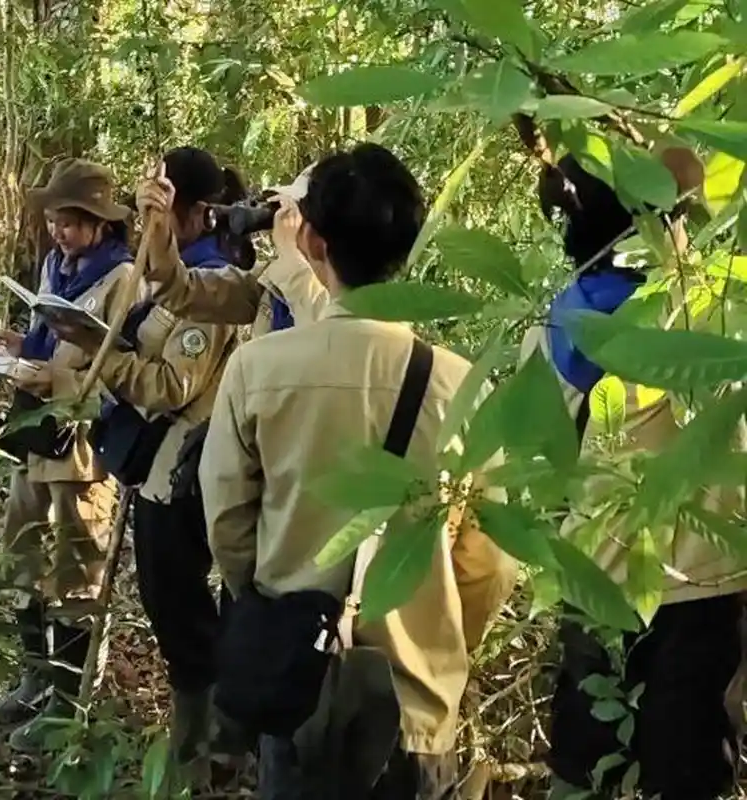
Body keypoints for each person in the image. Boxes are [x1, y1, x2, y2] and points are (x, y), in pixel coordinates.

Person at [198, 143, 517, 799]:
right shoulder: (460, 386)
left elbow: (228, 524)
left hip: (298, 689)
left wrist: (277, 607)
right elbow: (489, 561)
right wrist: (437, 639)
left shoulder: (258, 370)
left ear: (311, 241)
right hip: (414, 708)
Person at [525, 150, 747, 800]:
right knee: (691, 771)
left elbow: (542, 465)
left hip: (597, 585)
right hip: (706, 587)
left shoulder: (558, 323)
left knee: (590, 767)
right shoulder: (712, 312)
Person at [50, 147, 244, 782]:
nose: (148, 225)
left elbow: (170, 386)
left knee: (184, 608)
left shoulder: (216, 282)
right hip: (157, 468)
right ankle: (205, 737)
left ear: (191, 212)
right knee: (171, 602)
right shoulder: (171, 275)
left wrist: (99, 351)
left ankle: (206, 746)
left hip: (185, 474)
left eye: (161, 212)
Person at [0, 158, 142, 754]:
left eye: (70, 223)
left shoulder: (123, 279)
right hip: (34, 429)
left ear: (100, 224)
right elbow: (45, 340)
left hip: (82, 440)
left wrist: (59, 379)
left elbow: (128, 375)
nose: (59, 233)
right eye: (53, 222)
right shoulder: (56, 266)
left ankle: (70, 704)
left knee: (78, 567)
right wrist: (17, 349)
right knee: (20, 548)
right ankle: (35, 678)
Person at [136, 163, 330, 337]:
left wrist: (290, 254)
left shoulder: (341, 292)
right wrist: (159, 224)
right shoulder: (271, 280)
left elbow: (331, 335)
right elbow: (179, 292)